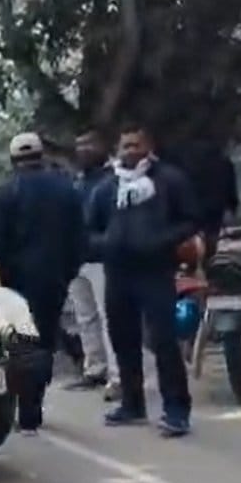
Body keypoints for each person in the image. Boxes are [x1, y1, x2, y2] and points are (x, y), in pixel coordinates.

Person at [84, 123, 197, 437]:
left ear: (149, 146)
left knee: (163, 341)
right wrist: (105, 244)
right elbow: (88, 230)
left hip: (156, 272)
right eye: (125, 146)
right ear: (117, 150)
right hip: (117, 273)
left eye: (136, 144)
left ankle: (176, 409)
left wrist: (161, 241)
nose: (130, 151)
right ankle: (132, 405)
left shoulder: (170, 180)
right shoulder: (106, 188)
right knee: (123, 340)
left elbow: (190, 219)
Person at [0, 132, 85, 435]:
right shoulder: (67, 191)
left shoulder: (4, 195)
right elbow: (79, 239)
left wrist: (4, 280)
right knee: (44, 343)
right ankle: (34, 408)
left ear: (14, 160)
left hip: (17, 283)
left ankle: (23, 409)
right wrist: (66, 274)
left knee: (19, 345)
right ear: (42, 156)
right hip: (53, 281)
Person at [65, 129, 121, 399]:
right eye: (79, 145)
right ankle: (95, 368)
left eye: (89, 144)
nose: (83, 150)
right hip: (78, 260)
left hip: (102, 260)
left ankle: (118, 375)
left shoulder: (112, 181)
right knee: (85, 318)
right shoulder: (78, 183)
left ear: (102, 148)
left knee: (110, 318)